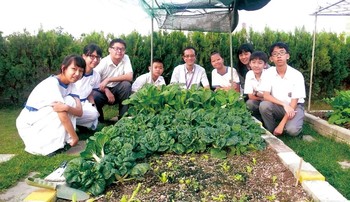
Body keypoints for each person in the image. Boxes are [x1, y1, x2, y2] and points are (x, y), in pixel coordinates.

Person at [16, 54, 85, 156]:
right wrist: (75, 137)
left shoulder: (72, 85)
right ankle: (50, 147)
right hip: (30, 122)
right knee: (61, 109)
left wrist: (66, 107)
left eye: (81, 71)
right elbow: (62, 114)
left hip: (42, 117)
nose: (77, 73)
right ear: (63, 68)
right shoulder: (52, 84)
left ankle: (63, 142)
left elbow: (79, 112)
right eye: (74, 69)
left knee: (68, 103)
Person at [259, 42, 306, 136]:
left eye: (282, 53)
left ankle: (283, 127)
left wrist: (281, 124)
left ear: (287, 56)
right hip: (279, 106)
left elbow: (294, 102)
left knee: (292, 131)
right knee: (264, 105)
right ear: (271, 59)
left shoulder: (296, 75)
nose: (279, 56)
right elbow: (266, 96)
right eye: (275, 54)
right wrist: (284, 104)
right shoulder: (268, 73)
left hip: (295, 106)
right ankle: (271, 130)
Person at [93, 38, 133, 122]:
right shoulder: (103, 62)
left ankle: (123, 118)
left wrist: (108, 79)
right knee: (94, 94)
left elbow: (129, 76)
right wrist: (106, 90)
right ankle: (99, 120)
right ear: (109, 50)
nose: (119, 51)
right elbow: (93, 80)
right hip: (103, 91)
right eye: (116, 48)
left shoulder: (125, 58)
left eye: (122, 49)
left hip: (118, 90)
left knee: (126, 85)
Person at [75, 43, 102, 130]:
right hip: (69, 103)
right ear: (84, 56)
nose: (95, 60)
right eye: (92, 56)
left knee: (94, 114)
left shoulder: (96, 75)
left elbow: (90, 94)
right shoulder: (75, 72)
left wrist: (93, 106)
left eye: (97, 57)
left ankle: (78, 124)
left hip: (83, 103)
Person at [244, 51, 268, 122]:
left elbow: (271, 96)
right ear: (250, 64)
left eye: (260, 63)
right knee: (249, 103)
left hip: (269, 103)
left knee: (264, 105)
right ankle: (258, 120)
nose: (256, 65)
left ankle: (270, 126)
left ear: (265, 65)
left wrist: (256, 93)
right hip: (259, 101)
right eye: (253, 62)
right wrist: (262, 96)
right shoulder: (249, 74)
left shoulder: (268, 74)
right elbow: (250, 96)